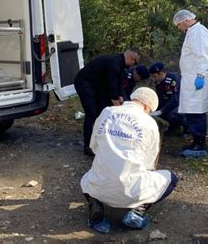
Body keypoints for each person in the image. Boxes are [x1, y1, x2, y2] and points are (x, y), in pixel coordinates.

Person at [80, 87, 178, 234]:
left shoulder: (107, 112)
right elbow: (149, 163)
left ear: (133, 98)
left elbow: (94, 146)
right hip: (131, 191)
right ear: (147, 106)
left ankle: (96, 208)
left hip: (100, 186)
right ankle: (137, 212)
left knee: (87, 179)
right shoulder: (149, 123)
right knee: (171, 178)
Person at [74, 48, 141, 156]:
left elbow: (119, 83)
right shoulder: (114, 63)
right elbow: (112, 86)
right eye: (135, 62)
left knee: (102, 110)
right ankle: (88, 145)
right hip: (84, 82)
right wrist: (118, 106)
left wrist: (122, 98)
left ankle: (100, 139)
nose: (134, 65)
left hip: (97, 85)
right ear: (132, 59)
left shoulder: (120, 64)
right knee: (92, 113)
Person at [172, 9, 208, 159]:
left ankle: (200, 144)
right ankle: (196, 141)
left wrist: (201, 75)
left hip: (197, 79)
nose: (179, 28)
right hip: (190, 79)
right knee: (192, 111)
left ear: (185, 21)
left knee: (196, 111)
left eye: (179, 25)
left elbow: (203, 56)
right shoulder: (193, 32)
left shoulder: (199, 32)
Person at [149, 62, 188, 137]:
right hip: (173, 102)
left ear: (160, 73)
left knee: (171, 114)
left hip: (184, 103)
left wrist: (162, 111)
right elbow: (160, 98)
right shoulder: (159, 82)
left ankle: (187, 128)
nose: (154, 79)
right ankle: (173, 126)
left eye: (154, 76)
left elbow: (176, 99)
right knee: (159, 110)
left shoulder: (174, 79)